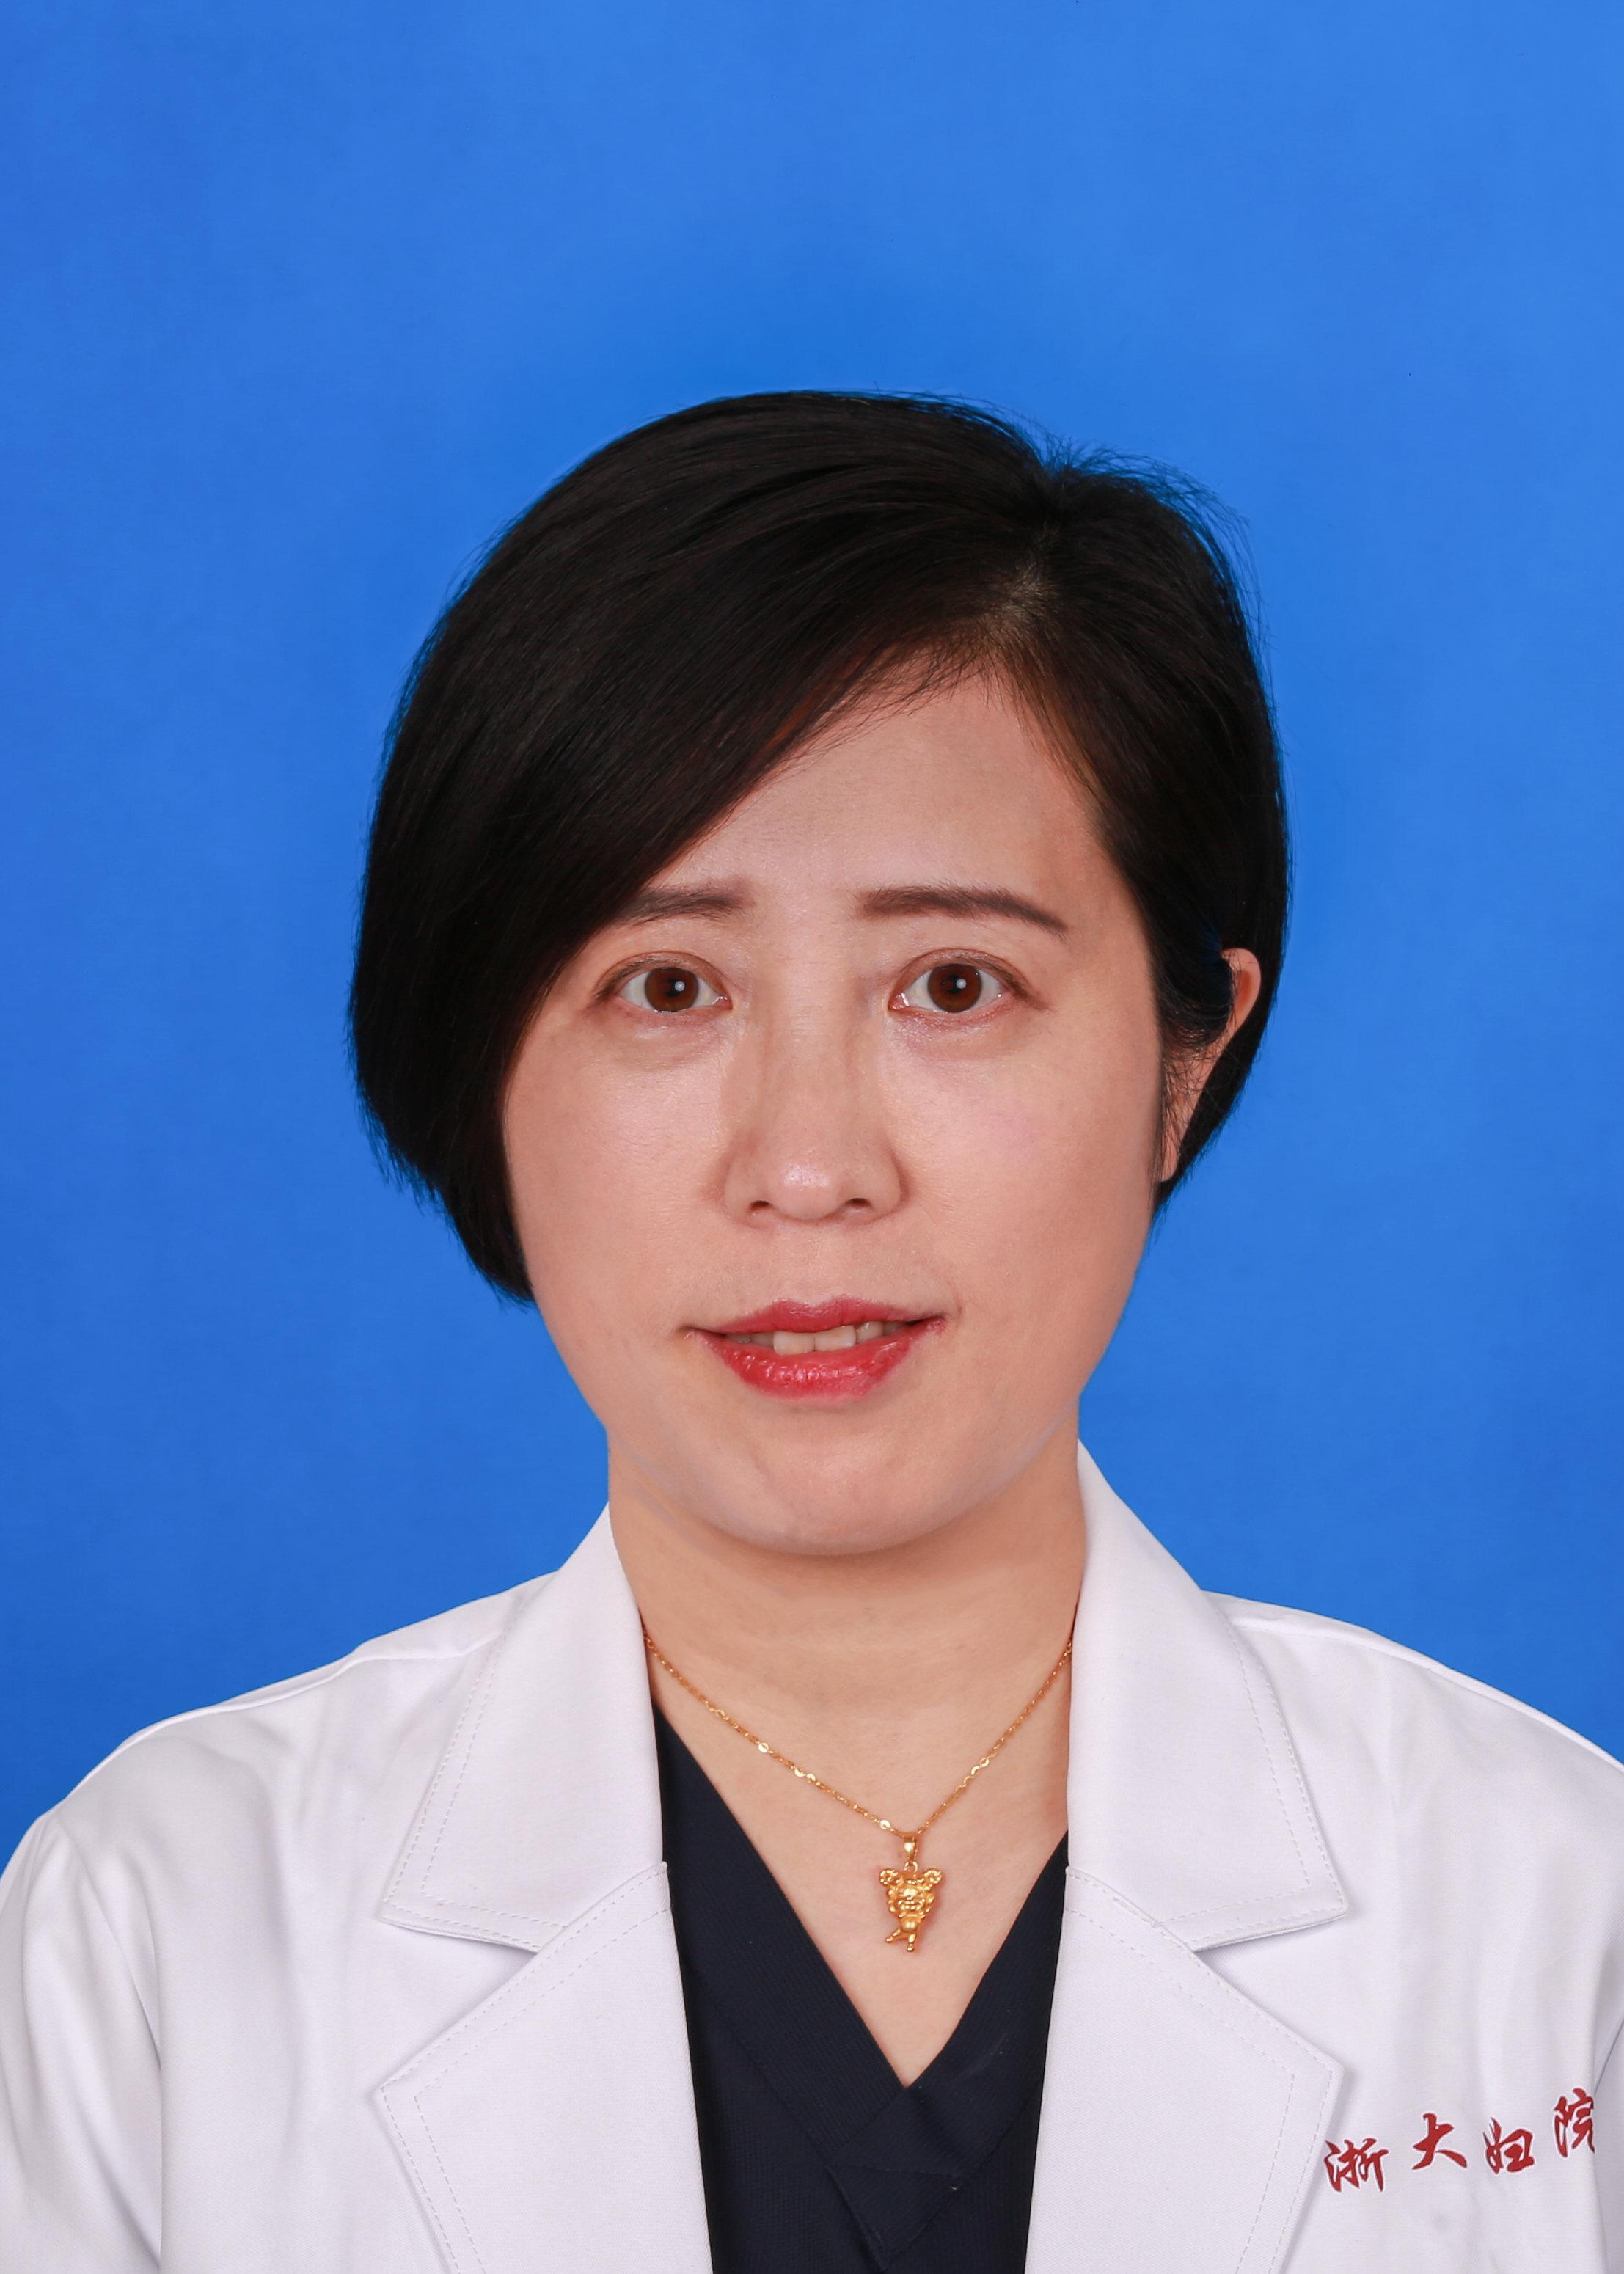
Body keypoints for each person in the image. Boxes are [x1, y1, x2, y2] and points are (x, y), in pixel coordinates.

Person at [1, 392, 1620, 2274]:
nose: (807, 1165)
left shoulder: (1554, 1911)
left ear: (1188, 1057)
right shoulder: (160, 1929)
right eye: (666, 986)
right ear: (481, 1063)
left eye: (955, 981)